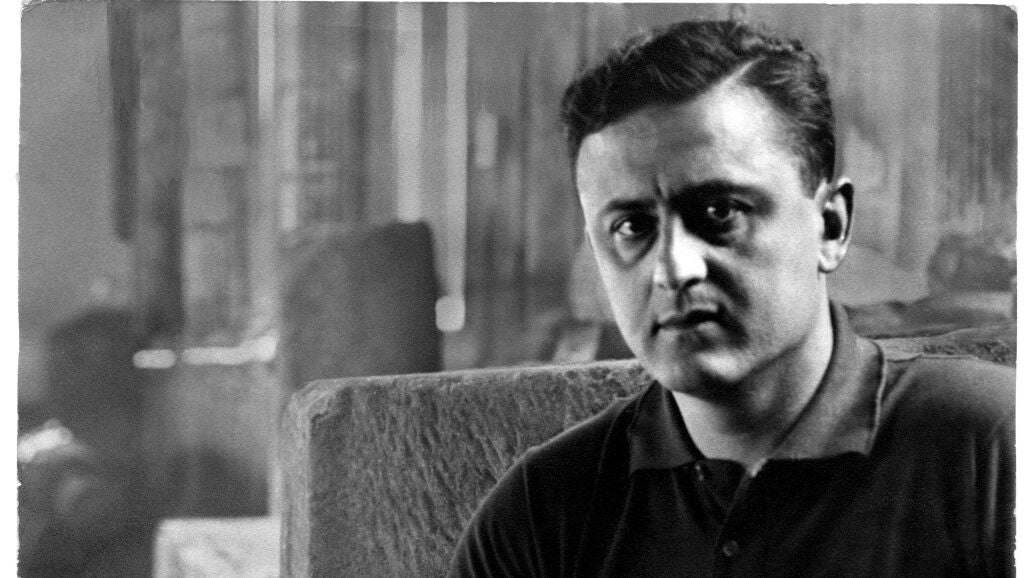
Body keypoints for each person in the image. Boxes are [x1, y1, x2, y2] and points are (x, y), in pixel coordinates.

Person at [449, 19, 1013, 577]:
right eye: (632, 226)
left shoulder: (993, 446)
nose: (673, 268)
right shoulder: (541, 513)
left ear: (830, 226)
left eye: (720, 212)